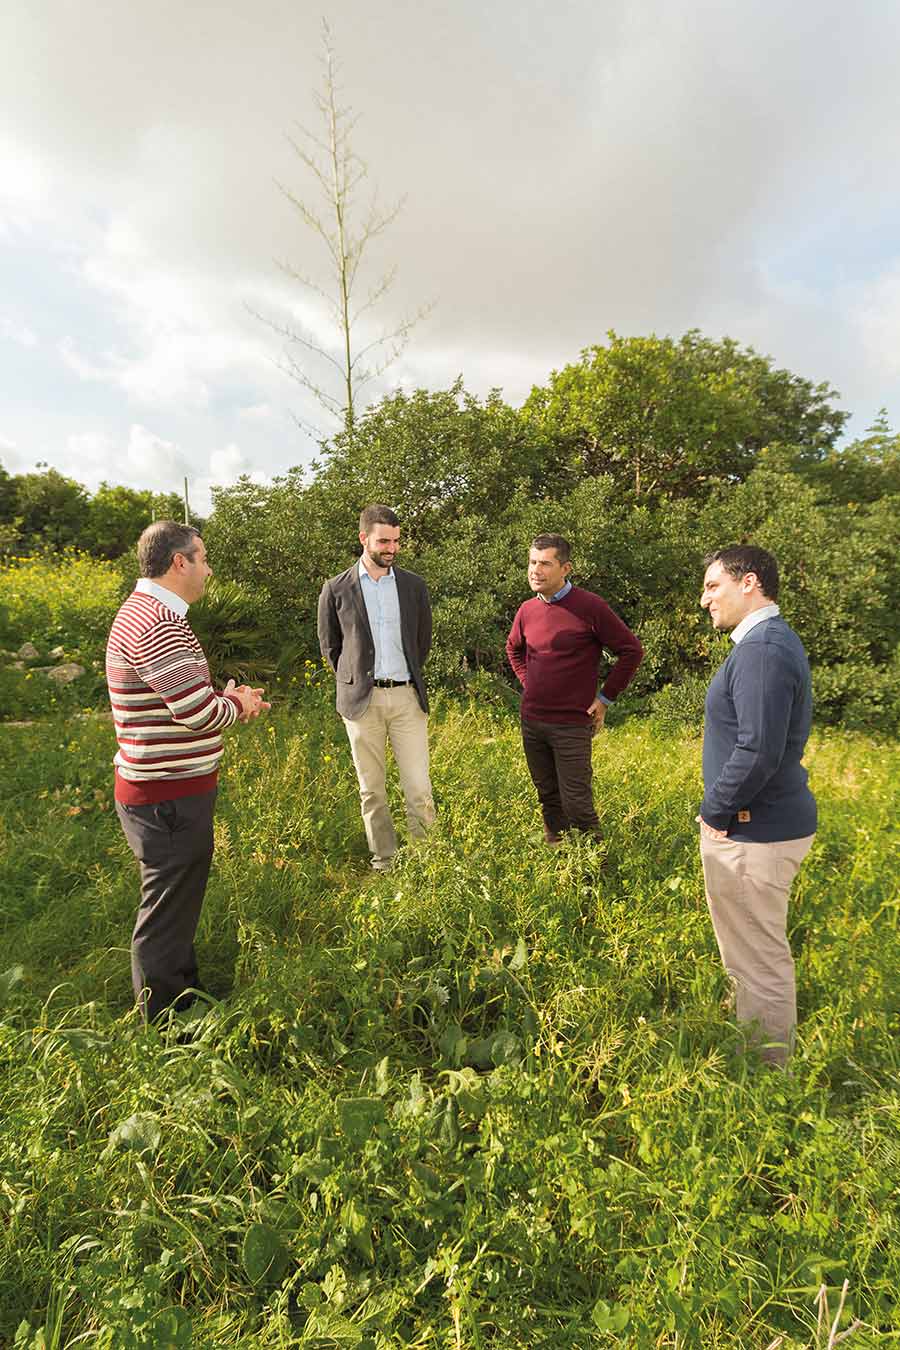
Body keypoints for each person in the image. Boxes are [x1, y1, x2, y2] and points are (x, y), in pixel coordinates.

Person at [106, 521, 269, 1022]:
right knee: (164, 913)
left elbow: (182, 700)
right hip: (168, 797)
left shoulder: (148, 614)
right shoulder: (158, 624)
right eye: (203, 557)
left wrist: (218, 699)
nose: (208, 568)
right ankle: (168, 1022)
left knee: (173, 905)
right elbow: (196, 714)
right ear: (180, 562)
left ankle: (183, 992)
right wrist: (238, 703)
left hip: (163, 790)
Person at [698, 545, 817, 1067]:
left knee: (761, 958)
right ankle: (751, 1043)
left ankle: (768, 1078)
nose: (705, 599)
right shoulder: (762, 643)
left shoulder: (763, 648)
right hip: (755, 826)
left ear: (749, 583)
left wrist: (716, 811)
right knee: (748, 951)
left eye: (712, 586)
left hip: (754, 830)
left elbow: (758, 750)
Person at [317, 505, 435, 871]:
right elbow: (330, 647)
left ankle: (426, 862)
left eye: (396, 541)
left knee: (419, 788)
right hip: (361, 703)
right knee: (372, 790)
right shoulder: (336, 588)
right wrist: (355, 682)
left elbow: (422, 641)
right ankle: (384, 860)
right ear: (363, 538)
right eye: (384, 540)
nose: (392, 548)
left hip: (406, 698)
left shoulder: (414, 586)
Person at [505, 534, 643, 844]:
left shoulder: (590, 606)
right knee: (549, 799)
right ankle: (562, 865)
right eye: (531, 562)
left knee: (577, 805)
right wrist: (530, 683)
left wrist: (605, 698)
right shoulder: (527, 610)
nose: (535, 570)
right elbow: (513, 649)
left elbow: (631, 650)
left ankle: (596, 874)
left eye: (544, 563)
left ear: (565, 568)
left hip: (571, 725)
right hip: (532, 722)